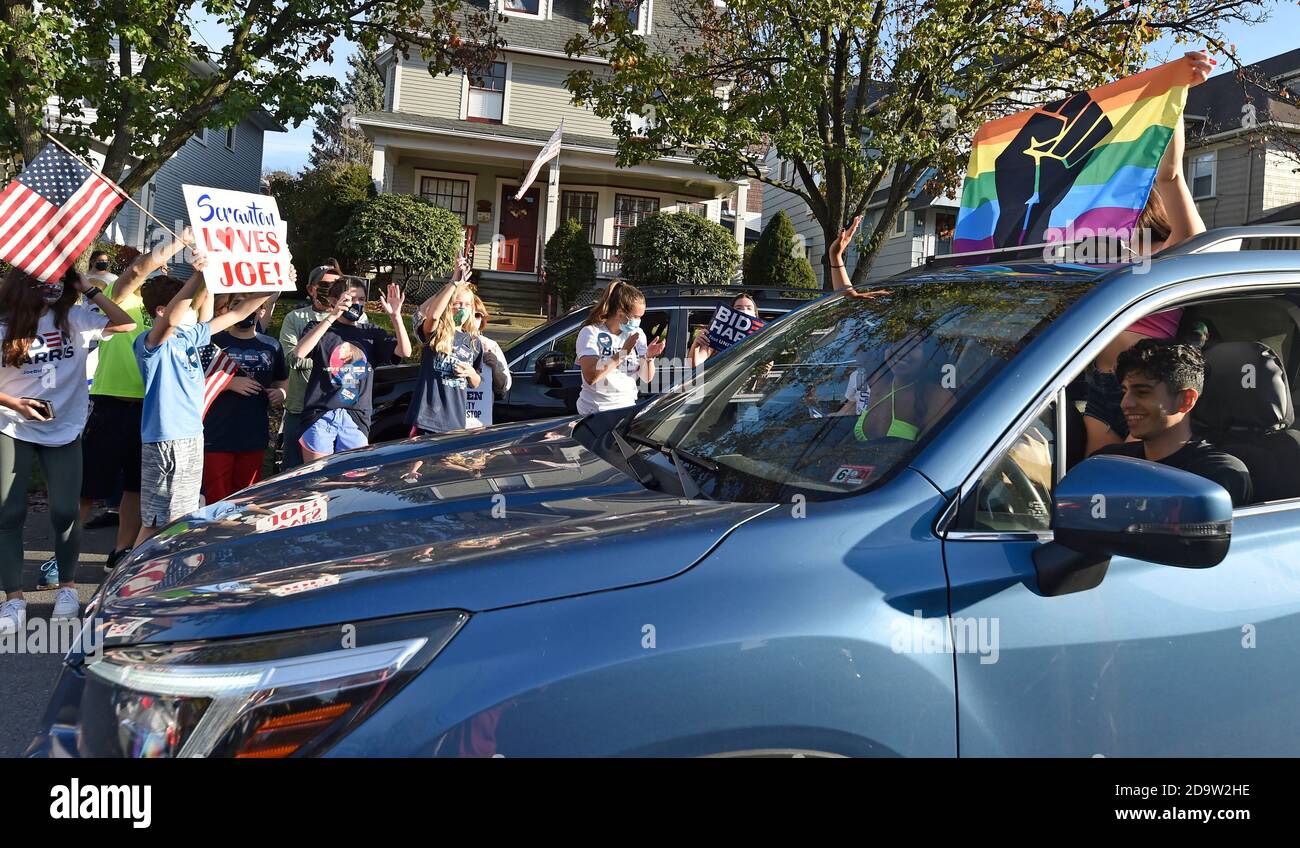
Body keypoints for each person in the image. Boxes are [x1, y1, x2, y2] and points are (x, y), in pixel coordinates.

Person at [0, 267, 136, 634]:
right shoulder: (5, 323)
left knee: (65, 510)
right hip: (12, 424)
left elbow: (124, 325)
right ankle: (13, 598)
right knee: (8, 511)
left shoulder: (75, 317)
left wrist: (88, 289)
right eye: (41, 280)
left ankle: (67, 587)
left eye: (56, 280)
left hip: (64, 427)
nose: (50, 286)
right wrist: (15, 403)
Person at [134, 255, 271, 545]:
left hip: (192, 435)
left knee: (181, 517)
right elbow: (172, 318)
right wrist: (198, 277)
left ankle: (166, 577)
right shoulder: (151, 342)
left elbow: (236, 314)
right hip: (167, 440)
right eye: (187, 303)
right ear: (161, 310)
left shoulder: (189, 337)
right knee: (158, 523)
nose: (192, 309)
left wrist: (274, 284)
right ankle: (129, 584)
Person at [78, 230, 193, 572]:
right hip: (113, 402)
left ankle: (121, 550)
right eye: (158, 265)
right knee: (88, 486)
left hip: (153, 409)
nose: (162, 269)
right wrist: (177, 242)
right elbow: (137, 271)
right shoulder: (123, 296)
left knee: (135, 486)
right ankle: (61, 553)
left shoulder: (172, 312)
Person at [1096, 338, 1251, 506]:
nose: (1125, 403)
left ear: (1186, 400)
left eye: (1142, 392)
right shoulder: (1109, 462)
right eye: (1125, 391)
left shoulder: (1217, 473)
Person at [295, 277, 410, 460]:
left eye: (361, 299)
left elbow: (405, 351)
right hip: (321, 414)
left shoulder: (371, 332)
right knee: (316, 480)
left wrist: (396, 317)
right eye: (350, 299)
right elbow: (300, 352)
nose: (357, 304)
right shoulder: (319, 328)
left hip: (356, 417)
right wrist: (332, 316)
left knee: (351, 479)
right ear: (334, 300)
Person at [201, 295, 289, 503]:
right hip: (216, 434)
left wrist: (281, 393)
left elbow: (282, 380)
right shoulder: (213, 341)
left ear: (261, 311)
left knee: (246, 497)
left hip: (253, 433)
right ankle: (216, 534)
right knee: (216, 497)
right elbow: (194, 381)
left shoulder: (271, 345)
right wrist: (229, 384)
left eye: (251, 305)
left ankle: (240, 533)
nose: (244, 309)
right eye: (236, 304)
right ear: (227, 309)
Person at [278, 260, 362, 469]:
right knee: (296, 473)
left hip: (341, 408)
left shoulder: (354, 317)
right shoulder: (295, 318)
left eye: (337, 285)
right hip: (302, 406)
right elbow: (291, 358)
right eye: (325, 285)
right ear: (311, 289)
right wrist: (327, 361)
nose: (331, 290)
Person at [407, 259, 483, 436]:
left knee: (445, 464)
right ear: (448, 306)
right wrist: (452, 284)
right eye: (456, 304)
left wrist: (470, 373)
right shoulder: (436, 332)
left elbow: (476, 381)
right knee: (419, 462)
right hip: (427, 418)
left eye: (466, 305)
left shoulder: (474, 341)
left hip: (455, 421)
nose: (461, 309)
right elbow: (432, 315)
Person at [575, 280, 666, 415]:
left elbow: (646, 378)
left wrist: (648, 358)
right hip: (595, 412)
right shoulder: (591, 332)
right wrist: (622, 353)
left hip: (626, 409)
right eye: (636, 316)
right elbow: (591, 376)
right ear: (620, 313)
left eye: (641, 317)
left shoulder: (638, 334)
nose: (639, 321)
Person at [465, 292, 512, 429]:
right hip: (451, 420)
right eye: (470, 313)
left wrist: (495, 367)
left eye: (478, 315)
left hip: (479, 422)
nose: (474, 318)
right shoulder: (448, 343)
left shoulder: (490, 345)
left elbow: (504, 387)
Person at [687, 293, 760, 369]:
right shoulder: (717, 335)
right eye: (738, 308)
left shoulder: (760, 337)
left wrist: (764, 370)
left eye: (749, 308)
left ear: (755, 313)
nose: (744, 311)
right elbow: (693, 365)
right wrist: (695, 346)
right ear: (731, 311)